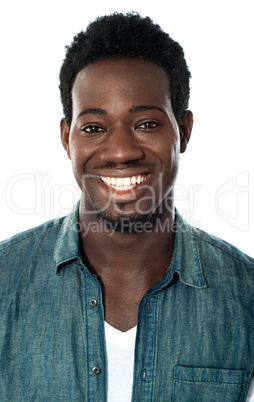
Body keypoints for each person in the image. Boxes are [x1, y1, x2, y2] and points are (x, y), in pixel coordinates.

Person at [0, 12, 253, 401]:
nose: (120, 151)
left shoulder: (246, 295)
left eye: (147, 124)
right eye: (93, 128)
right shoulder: (5, 283)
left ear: (183, 130)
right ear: (67, 138)